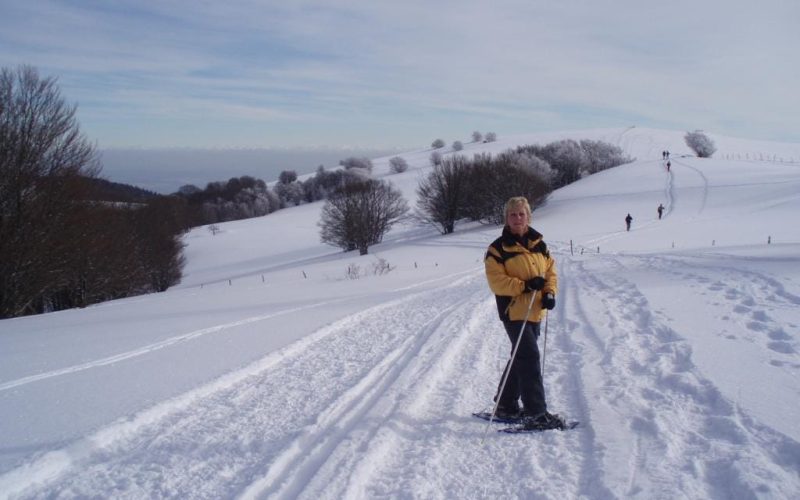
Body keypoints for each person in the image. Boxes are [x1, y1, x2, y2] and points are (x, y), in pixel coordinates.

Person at [484, 196, 563, 430]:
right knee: (529, 357)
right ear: (506, 219)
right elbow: (496, 282)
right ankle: (536, 412)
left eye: (521, 214)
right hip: (513, 311)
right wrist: (525, 285)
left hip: (535, 310)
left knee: (520, 357)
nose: (517, 218)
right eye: (513, 214)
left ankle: (506, 404)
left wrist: (549, 292)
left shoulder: (539, 244)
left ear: (528, 216)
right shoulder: (497, 249)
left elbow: (550, 271)